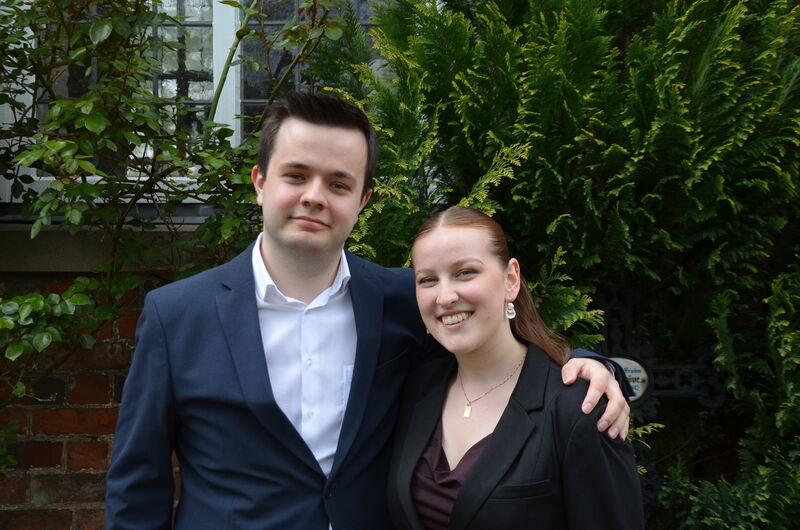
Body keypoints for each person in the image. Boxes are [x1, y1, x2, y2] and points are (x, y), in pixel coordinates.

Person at [105, 93, 630, 529]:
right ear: (260, 182)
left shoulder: (405, 300)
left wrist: (589, 366)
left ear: (362, 201)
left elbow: (493, 345)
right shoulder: (177, 316)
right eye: (296, 175)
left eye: (338, 184)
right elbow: (138, 486)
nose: (315, 197)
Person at [387, 206, 644, 530]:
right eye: (428, 280)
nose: (445, 296)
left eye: (465, 272)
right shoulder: (416, 387)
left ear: (510, 279)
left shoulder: (579, 407)